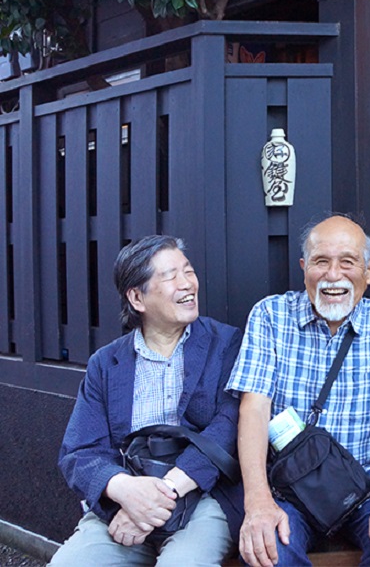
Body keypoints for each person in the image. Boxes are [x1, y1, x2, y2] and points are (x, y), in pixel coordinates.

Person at [227, 214, 370, 567]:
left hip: (365, 483)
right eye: (321, 261)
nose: (333, 275)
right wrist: (257, 501)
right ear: (304, 268)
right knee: (268, 553)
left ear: (369, 270)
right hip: (290, 487)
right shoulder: (270, 316)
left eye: (347, 262)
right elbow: (253, 410)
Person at [52, 235, 243, 565]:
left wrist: (163, 493)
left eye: (189, 271)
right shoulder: (107, 364)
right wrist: (124, 490)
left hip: (204, 497)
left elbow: (231, 425)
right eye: (170, 276)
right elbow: (79, 452)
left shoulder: (225, 344)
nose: (187, 284)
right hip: (128, 501)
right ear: (137, 297)